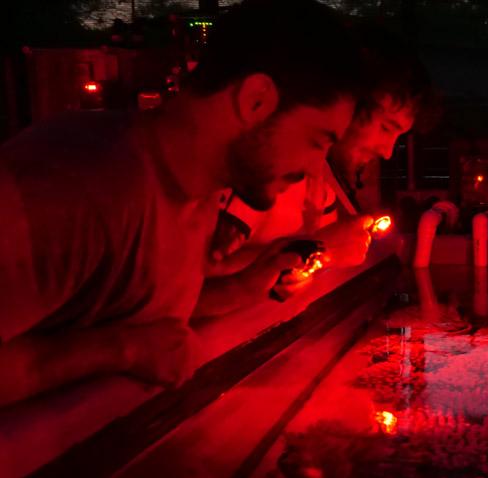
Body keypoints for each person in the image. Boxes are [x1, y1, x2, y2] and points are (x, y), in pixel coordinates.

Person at [0, 0, 365, 404]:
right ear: (256, 101)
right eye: (317, 141)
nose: (315, 168)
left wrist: (250, 283)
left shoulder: (196, 192)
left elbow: (146, 309)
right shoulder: (79, 185)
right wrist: (121, 350)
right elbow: (132, 335)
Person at [196, 26, 437, 317]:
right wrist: (320, 249)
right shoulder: (260, 168)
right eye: (386, 128)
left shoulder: (320, 185)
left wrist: (314, 256)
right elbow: (196, 279)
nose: (387, 152)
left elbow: (293, 270)